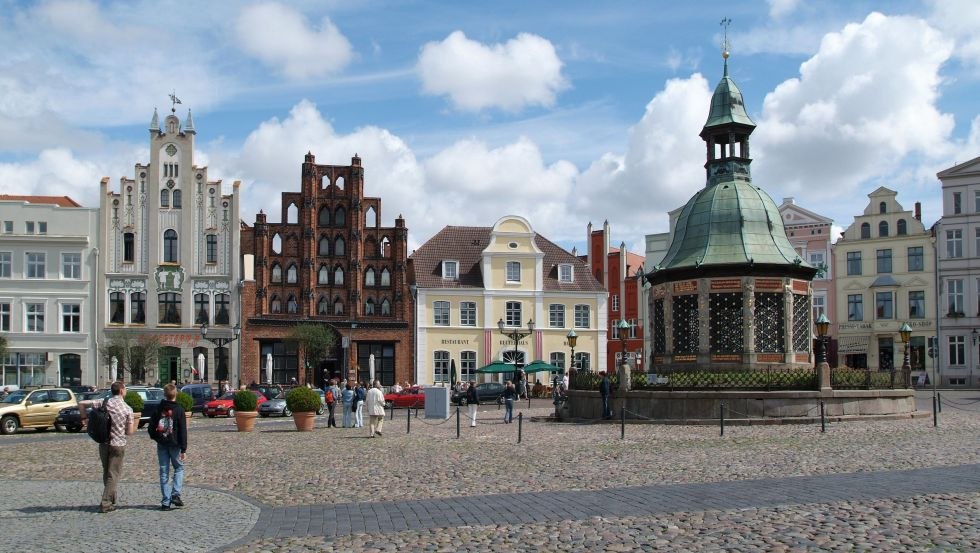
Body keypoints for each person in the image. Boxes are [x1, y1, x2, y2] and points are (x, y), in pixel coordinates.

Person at [95, 381, 134, 513]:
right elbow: (129, 432)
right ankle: (106, 502)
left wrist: (84, 417)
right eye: (125, 389)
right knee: (113, 474)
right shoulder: (127, 408)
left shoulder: (105, 402)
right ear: (122, 391)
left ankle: (111, 498)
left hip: (104, 442)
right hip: (118, 444)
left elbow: (82, 404)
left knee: (107, 472)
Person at [148, 383, 188, 510]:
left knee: (164, 471)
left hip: (162, 444)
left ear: (164, 394)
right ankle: (175, 494)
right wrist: (184, 449)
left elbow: (150, 427)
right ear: (175, 394)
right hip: (175, 444)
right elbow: (183, 430)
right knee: (179, 468)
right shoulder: (179, 410)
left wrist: (157, 437)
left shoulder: (158, 408)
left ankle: (165, 502)